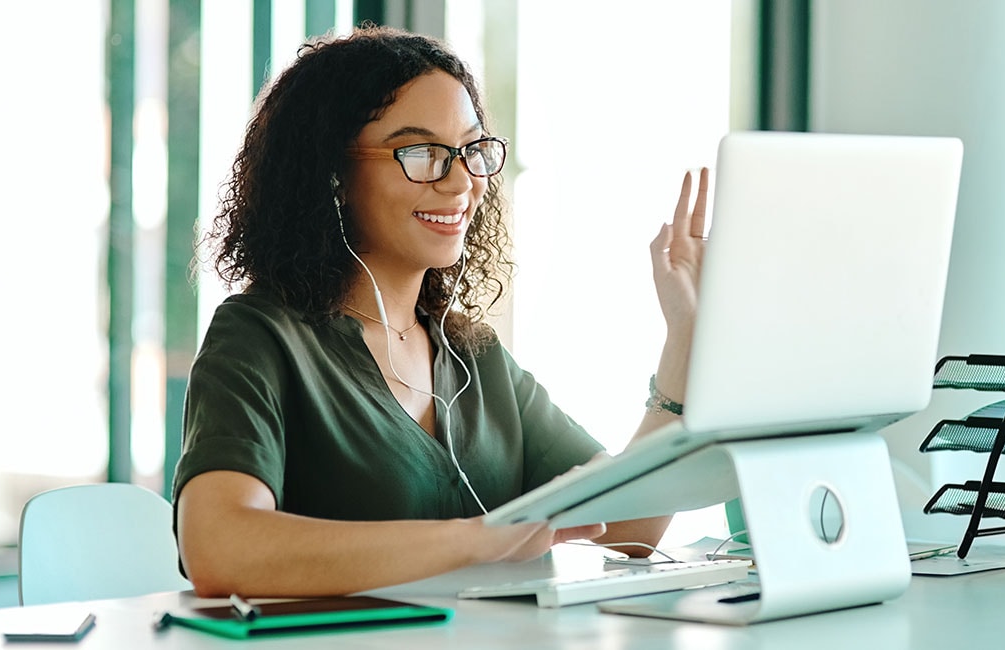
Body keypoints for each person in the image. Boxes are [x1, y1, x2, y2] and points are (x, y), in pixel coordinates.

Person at [174, 24, 710, 598]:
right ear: (331, 175)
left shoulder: (474, 357)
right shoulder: (260, 336)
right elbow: (220, 547)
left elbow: (627, 529)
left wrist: (686, 336)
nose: (461, 181)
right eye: (422, 152)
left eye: (471, 150)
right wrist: (480, 538)